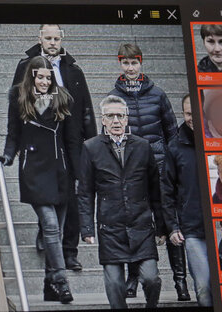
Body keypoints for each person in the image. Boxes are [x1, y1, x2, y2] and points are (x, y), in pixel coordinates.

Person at [0, 55, 83, 303]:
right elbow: (13, 133)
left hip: (60, 170)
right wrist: (7, 157)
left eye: (48, 77)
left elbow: (72, 139)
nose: (45, 81)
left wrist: (79, 173)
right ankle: (62, 282)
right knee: (51, 227)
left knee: (57, 228)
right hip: (33, 171)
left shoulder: (63, 97)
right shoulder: (18, 97)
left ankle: (49, 286)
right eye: (40, 77)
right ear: (31, 76)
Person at [11, 24, 96, 270]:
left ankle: (70, 251)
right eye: (47, 38)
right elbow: (17, 104)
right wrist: (16, 142)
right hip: (42, 141)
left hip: (72, 141)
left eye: (56, 38)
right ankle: (47, 234)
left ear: (62, 40)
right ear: (39, 38)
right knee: (47, 191)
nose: (52, 42)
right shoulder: (25, 67)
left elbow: (87, 109)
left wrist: (92, 143)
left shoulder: (73, 70)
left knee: (71, 193)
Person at [108, 43, 189, 301]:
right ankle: (132, 279)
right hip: (131, 172)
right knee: (135, 224)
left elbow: (172, 133)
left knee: (169, 222)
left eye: (134, 62)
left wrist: (171, 165)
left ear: (141, 63)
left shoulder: (158, 94)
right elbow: (108, 135)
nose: (130, 68)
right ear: (120, 64)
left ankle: (180, 283)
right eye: (125, 62)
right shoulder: (114, 97)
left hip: (161, 169)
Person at [78, 95, 164, 309]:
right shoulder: (91, 148)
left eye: (120, 116)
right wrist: (87, 228)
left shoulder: (143, 146)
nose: (116, 121)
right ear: (103, 120)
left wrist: (162, 226)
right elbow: (85, 191)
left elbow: (156, 190)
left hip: (141, 226)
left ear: (127, 119)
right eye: (110, 116)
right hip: (111, 228)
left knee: (151, 279)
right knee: (115, 284)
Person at [161, 94, 213, 307]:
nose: (192, 118)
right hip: (193, 230)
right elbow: (166, 190)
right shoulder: (175, 147)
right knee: (203, 288)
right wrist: (172, 227)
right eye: (188, 113)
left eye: (197, 112)